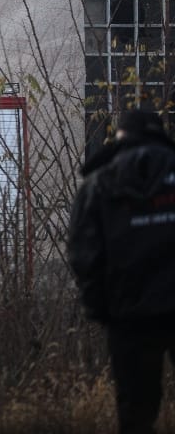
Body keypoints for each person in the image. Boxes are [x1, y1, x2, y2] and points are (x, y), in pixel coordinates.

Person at [68, 109, 175, 434]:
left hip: (129, 316)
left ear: (120, 137)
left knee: (136, 411)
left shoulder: (99, 183)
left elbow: (84, 254)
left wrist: (100, 309)